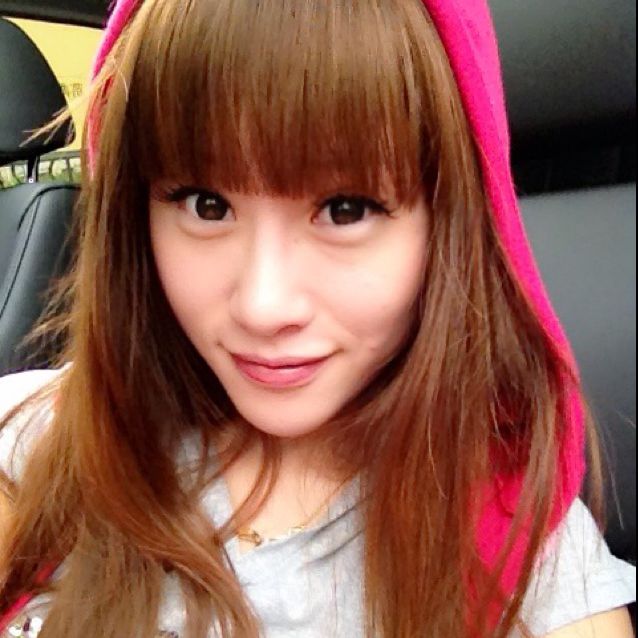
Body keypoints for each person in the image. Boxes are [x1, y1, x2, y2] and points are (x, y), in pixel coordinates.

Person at [0, 0, 635, 636]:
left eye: (345, 210)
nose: (263, 306)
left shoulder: (525, 562)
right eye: (206, 205)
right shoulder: (34, 446)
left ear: (450, 227)